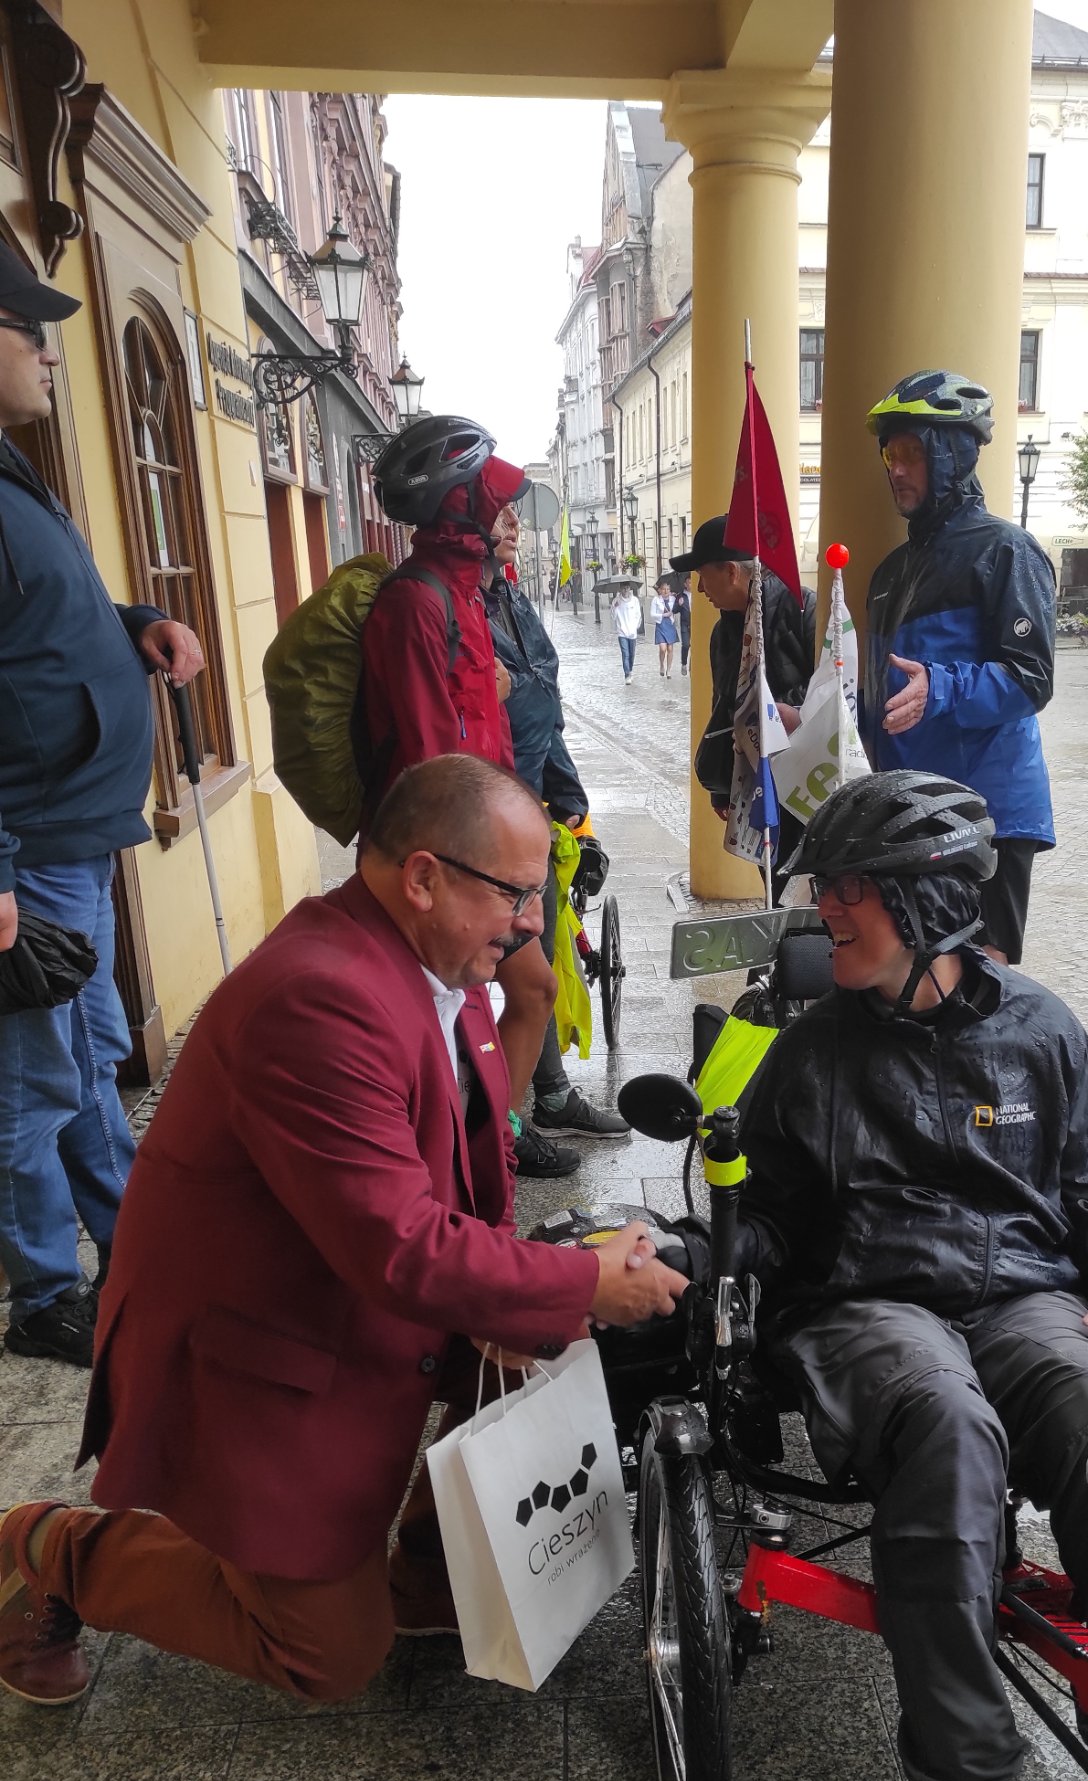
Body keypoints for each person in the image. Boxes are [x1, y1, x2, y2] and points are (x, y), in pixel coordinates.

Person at [0, 756, 687, 1709]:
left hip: (358, 1296)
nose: (534, 921)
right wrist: (574, 1285)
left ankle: (411, 1567)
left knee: (557, 1346)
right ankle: (47, 1547)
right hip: (256, 1347)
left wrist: (525, 1301)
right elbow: (398, 1246)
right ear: (422, 876)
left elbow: (470, 1188)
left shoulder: (441, 968)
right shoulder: (318, 998)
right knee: (329, 1657)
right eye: (518, 895)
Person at [690, 770, 1088, 1781]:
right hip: (871, 1304)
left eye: (848, 890)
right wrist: (702, 1255)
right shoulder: (806, 1049)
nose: (824, 910)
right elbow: (763, 1219)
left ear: (927, 905)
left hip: (1025, 1297)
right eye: (824, 889)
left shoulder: (1043, 1029)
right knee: (948, 1422)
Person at [0, 244, 206, 1370]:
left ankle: (127, 1240)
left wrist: (132, 619)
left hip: (70, 837)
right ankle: (43, 1293)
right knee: (32, 1078)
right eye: (21, 322)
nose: (45, 344)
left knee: (84, 1059)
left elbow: (36, 626)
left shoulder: (11, 468)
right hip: (27, 850)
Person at [361, 416, 561, 1174]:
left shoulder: (467, 593)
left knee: (528, 992)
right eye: (493, 498)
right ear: (457, 506)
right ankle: (465, 1158)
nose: (507, 515)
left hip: (485, 854)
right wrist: (459, 876)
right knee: (453, 1021)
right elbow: (426, 758)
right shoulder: (416, 602)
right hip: (448, 861)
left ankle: (493, 1143)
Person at [863, 370, 1057, 966]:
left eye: (912, 453)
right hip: (912, 809)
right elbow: (876, 690)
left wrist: (941, 688)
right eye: (891, 453)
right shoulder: (890, 571)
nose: (896, 468)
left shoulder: (1006, 551)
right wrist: (813, 716)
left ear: (953, 455)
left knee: (979, 984)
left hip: (987, 808)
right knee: (915, 978)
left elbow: (1031, 678)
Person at [482, 514, 630, 1164]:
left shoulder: (510, 599)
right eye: (497, 506)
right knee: (522, 985)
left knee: (537, 970)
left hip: (526, 818)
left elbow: (545, 711)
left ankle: (548, 1096)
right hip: (478, 828)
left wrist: (571, 801)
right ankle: (505, 1137)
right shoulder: (450, 608)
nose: (515, 519)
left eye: (517, 506)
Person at [672, 514, 817, 820]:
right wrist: (721, 789)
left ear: (731, 571)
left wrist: (774, 713)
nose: (699, 588)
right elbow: (722, 706)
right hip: (757, 789)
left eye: (702, 574)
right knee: (771, 867)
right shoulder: (721, 633)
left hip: (810, 781)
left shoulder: (803, 610)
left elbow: (833, 689)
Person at [610, 584, 643, 678]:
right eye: (623, 588)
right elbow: (613, 617)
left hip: (632, 632)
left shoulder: (635, 600)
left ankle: (630, 669)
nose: (625, 590)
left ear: (630, 588)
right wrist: (615, 608)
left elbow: (638, 615)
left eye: (627, 588)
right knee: (625, 654)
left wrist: (636, 627)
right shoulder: (616, 601)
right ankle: (627, 674)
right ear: (620, 589)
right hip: (622, 632)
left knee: (632, 654)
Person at [650, 576, 679, 677]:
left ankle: (669, 670)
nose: (666, 591)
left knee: (670, 648)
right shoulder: (656, 600)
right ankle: (662, 665)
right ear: (660, 590)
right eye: (664, 589)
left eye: (668, 589)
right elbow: (652, 614)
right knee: (663, 648)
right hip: (661, 625)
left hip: (670, 625)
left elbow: (678, 607)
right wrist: (662, 614)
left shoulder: (673, 599)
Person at [671, 576, 692, 665]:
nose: (692, 584)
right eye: (690, 583)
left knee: (696, 647)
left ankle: (693, 665)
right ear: (685, 584)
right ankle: (684, 663)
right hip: (685, 624)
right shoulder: (681, 595)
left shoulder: (697, 594)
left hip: (695, 624)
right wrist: (679, 604)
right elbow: (674, 610)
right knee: (686, 644)